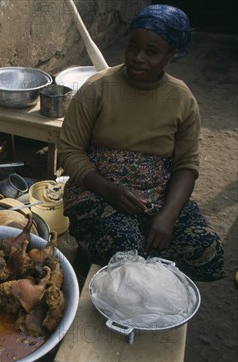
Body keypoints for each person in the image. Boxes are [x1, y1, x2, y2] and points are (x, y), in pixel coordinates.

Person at [58, 4, 225, 282]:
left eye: (151, 52)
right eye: (132, 47)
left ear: (171, 54)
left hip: (158, 195)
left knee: (208, 252)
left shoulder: (181, 99)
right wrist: (109, 190)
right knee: (125, 249)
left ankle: (147, 268)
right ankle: (104, 257)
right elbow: (70, 150)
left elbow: (186, 164)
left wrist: (168, 216)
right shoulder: (98, 88)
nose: (137, 58)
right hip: (97, 192)